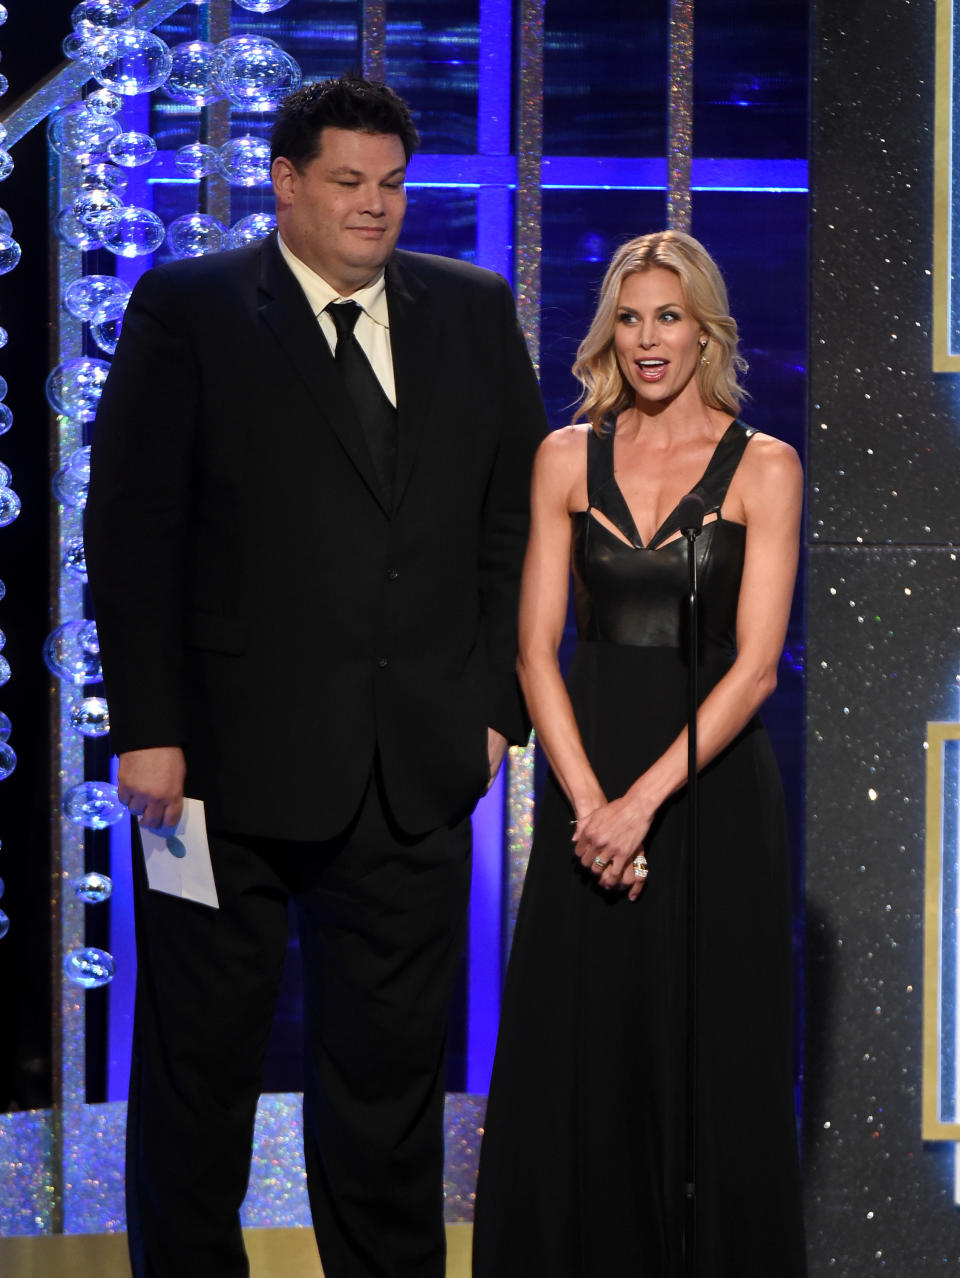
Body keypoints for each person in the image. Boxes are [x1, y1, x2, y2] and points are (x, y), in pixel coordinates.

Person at [84, 74, 546, 1278]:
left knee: (389, 1088)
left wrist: (493, 710)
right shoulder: (188, 306)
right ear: (284, 184)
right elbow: (133, 533)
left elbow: (514, 529)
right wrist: (148, 727)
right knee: (198, 1072)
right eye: (346, 183)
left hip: (412, 771)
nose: (374, 208)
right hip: (213, 776)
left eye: (391, 185)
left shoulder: (471, 308)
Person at [473, 230, 807, 1276]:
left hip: (708, 792)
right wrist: (590, 809)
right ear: (607, 331)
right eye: (629, 317)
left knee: (711, 1052)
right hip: (591, 784)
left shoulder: (766, 467)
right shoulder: (565, 456)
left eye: (668, 317)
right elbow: (534, 650)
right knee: (584, 1045)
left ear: (705, 328)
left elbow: (754, 670)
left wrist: (638, 808)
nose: (648, 339)